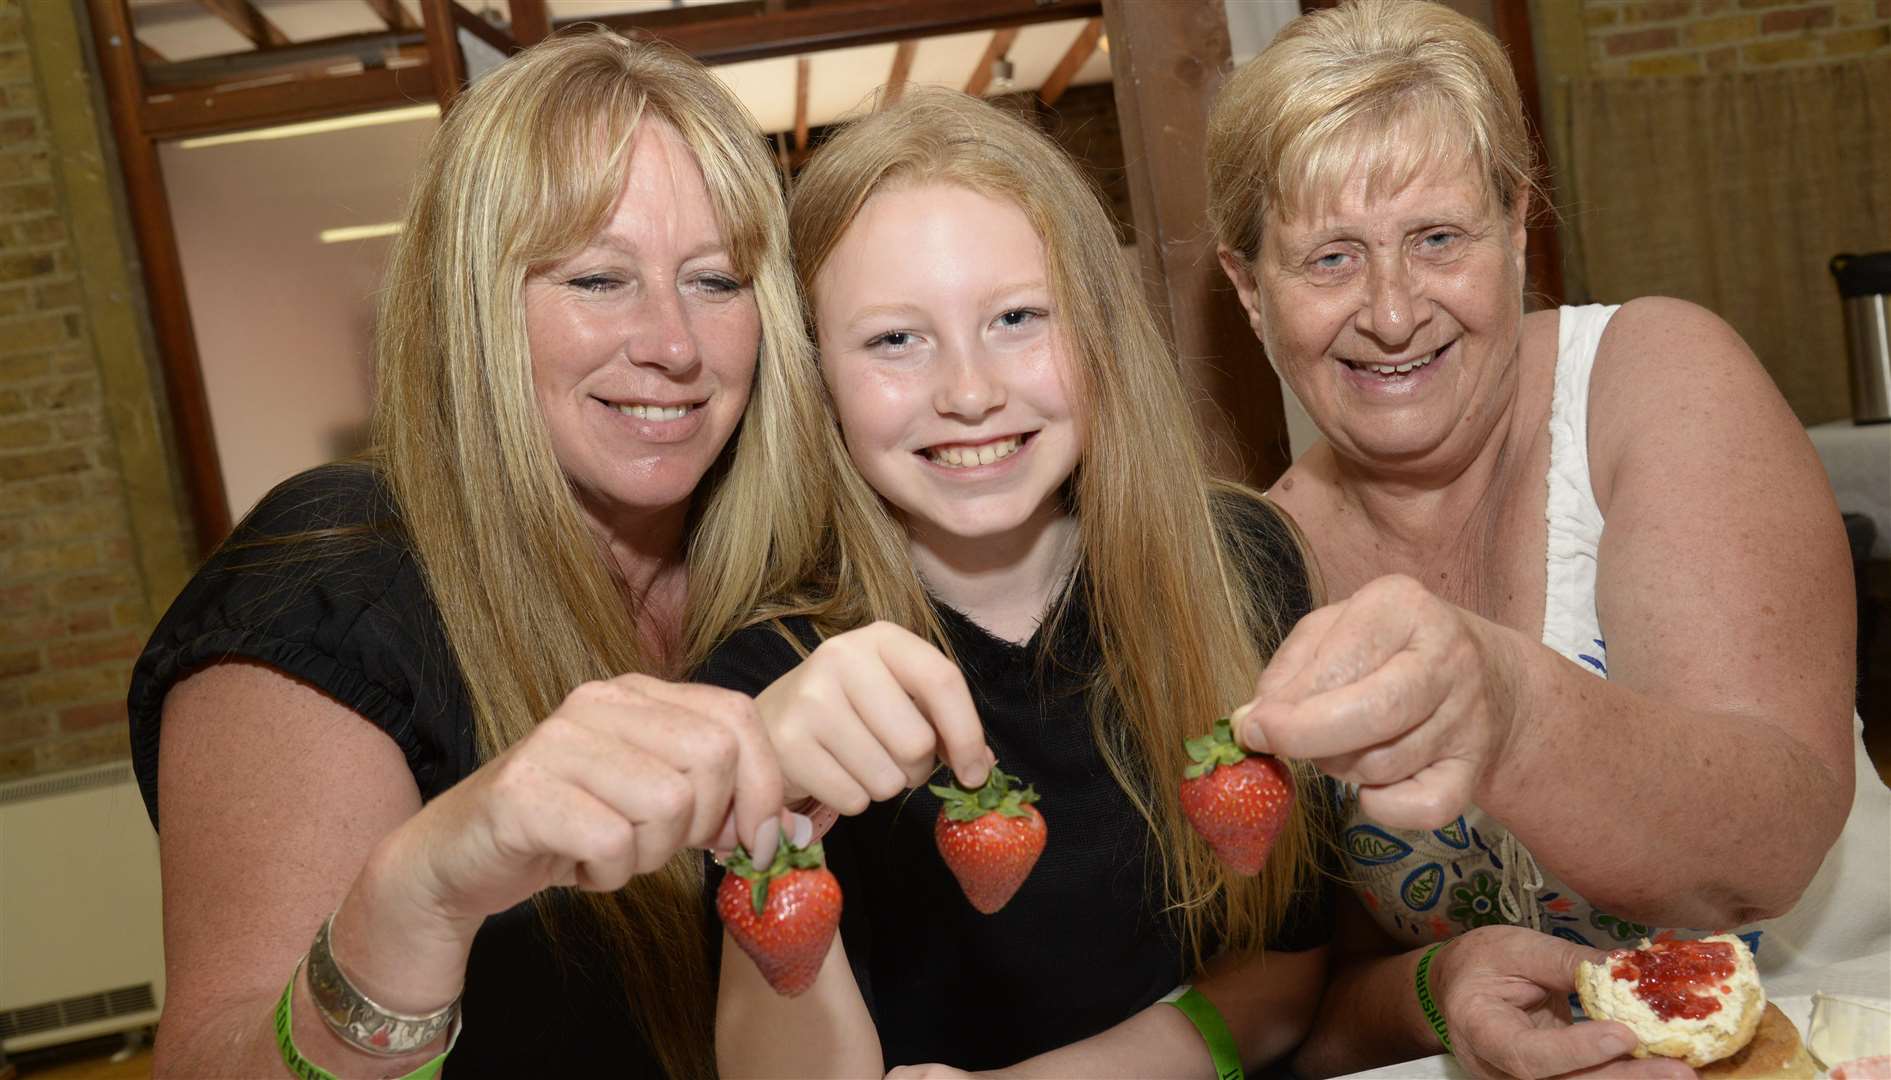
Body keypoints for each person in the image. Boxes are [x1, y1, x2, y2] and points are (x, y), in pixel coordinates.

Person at [125, 30, 832, 1078]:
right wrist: (420, 897)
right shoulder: (335, 580)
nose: (674, 343)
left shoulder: (791, 578)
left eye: (716, 282)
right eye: (598, 279)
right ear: (474, 309)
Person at [1204, 1, 1891, 1076]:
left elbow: (1768, 850)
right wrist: (1439, 990)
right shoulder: (1253, 563)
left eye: (1437, 239)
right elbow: (1309, 1008)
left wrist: (1511, 709)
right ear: (1249, 291)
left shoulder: (1653, 379)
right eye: (1330, 259)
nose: (1391, 312)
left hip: (1839, 1028)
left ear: (1516, 227)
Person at [696, 89, 1335, 1078]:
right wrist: (762, 822)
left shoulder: (1240, 564)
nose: (968, 390)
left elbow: (1287, 973)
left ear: (1098, 333)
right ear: (816, 377)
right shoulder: (764, 681)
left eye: (1015, 318)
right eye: (894, 340)